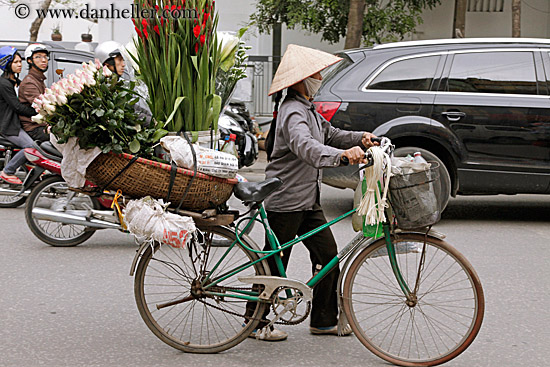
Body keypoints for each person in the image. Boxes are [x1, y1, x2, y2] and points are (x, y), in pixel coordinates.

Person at [246, 44, 378, 341]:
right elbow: (306, 146)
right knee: (272, 263)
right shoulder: (293, 112)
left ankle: (322, 320)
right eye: (316, 74)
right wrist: (342, 157)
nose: (320, 77)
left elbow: (330, 134)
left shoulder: (308, 109)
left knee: (328, 255)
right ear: (301, 81)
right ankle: (253, 322)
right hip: (287, 199)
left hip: (307, 200)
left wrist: (361, 139)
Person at [0, 46, 37, 184]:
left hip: (19, 124)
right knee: (31, 147)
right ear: (7, 64)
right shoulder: (3, 84)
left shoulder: (16, 82)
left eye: (20, 62)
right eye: (15, 62)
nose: (19, 64)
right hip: (9, 126)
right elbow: (16, 107)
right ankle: (8, 171)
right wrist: (37, 112)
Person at [19, 44, 50, 142]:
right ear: (29, 60)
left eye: (45, 56)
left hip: (42, 125)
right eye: (38, 57)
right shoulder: (29, 82)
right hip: (34, 128)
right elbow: (42, 105)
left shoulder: (38, 79)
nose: (44, 60)